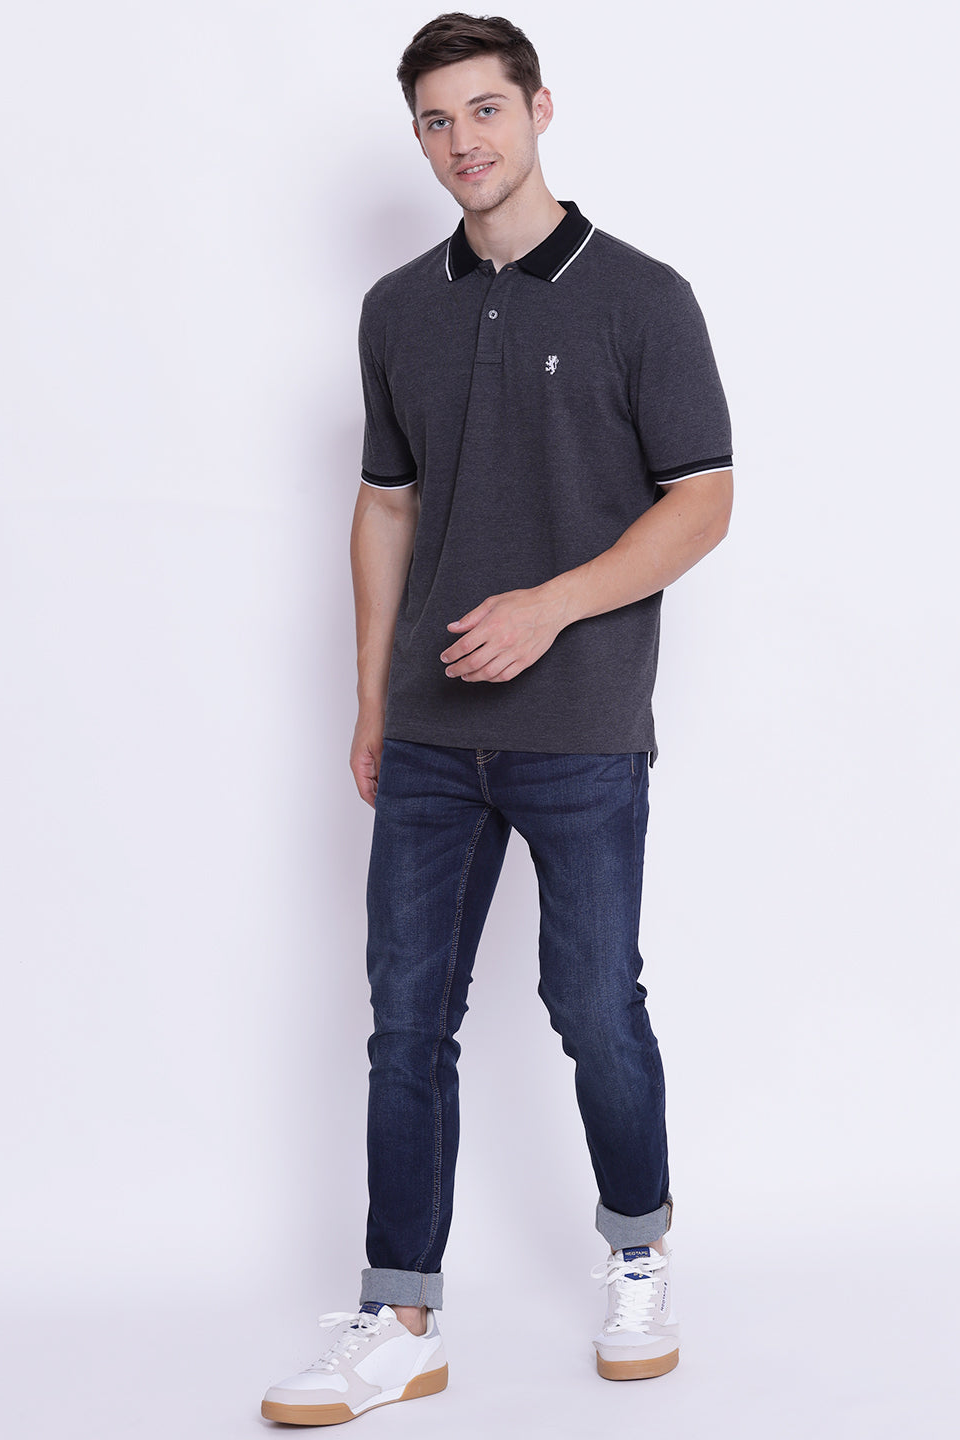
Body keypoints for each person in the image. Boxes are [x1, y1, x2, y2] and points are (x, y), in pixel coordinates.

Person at [262, 11, 733, 1425]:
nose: (463, 140)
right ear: (418, 139)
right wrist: (370, 698)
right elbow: (385, 506)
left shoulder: (643, 297)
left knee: (592, 1005)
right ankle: (401, 1316)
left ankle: (638, 1255)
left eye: (485, 109)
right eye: (436, 120)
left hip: (581, 727)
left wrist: (551, 606)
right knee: (406, 1023)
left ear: (539, 110)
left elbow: (704, 501)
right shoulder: (396, 308)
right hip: (426, 740)